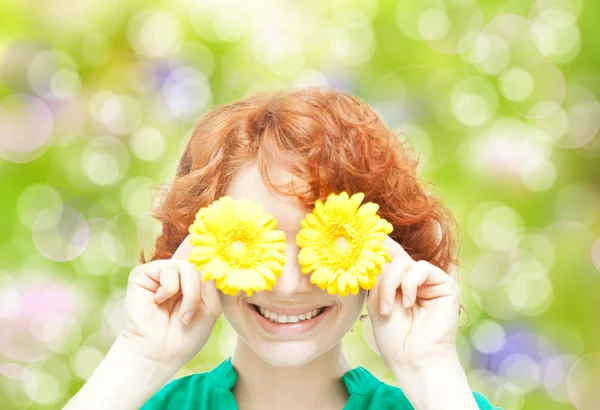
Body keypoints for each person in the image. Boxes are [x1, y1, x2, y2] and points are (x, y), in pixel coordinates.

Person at [65, 86, 501, 410]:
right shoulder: (133, 400)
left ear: (385, 254)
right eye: (251, 242)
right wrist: (141, 355)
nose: (290, 283)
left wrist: (428, 368)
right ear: (197, 253)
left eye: (327, 241)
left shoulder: (445, 398)